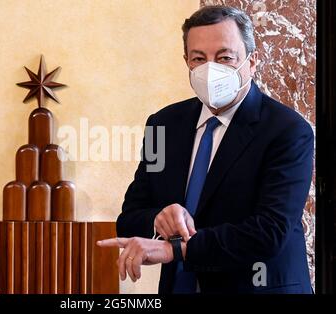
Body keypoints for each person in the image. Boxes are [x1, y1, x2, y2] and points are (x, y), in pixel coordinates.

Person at [98, 5, 313, 294]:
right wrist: (159, 218)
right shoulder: (162, 125)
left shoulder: (288, 130)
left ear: (252, 62)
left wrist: (176, 250)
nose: (211, 69)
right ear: (186, 61)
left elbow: (269, 232)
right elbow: (130, 218)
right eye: (199, 58)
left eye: (225, 57)